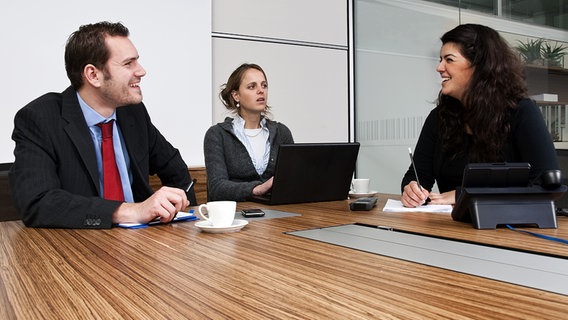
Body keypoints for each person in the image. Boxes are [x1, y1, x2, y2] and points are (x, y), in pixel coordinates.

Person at [9, 21, 196, 228]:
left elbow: (173, 165)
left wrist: (186, 217)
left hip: (143, 243)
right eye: (128, 63)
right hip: (79, 247)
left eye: (137, 61)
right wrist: (130, 211)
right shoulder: (40, 118)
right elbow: (38, 203)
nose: (141, 71)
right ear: (93, 75)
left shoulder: (133, 113)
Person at [401, 24, 559, 208]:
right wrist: (411, 189)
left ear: (479, 66)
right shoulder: (439, 118)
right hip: (449, 227)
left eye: (449, 60)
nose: (439, 68)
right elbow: (417, 176)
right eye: (440, 59)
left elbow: (548, 185)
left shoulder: (521, 111)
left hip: (507, 230)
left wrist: (464, 195)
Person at [204, 63, 294, 201]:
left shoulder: (282, 132)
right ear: (236, 96)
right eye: (252, 86)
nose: (261, 91)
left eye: (264, 85)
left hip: (278, 213)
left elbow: (291, 180)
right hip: (235, 215)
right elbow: (217, 188)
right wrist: (256, 189)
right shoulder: (217, 134)